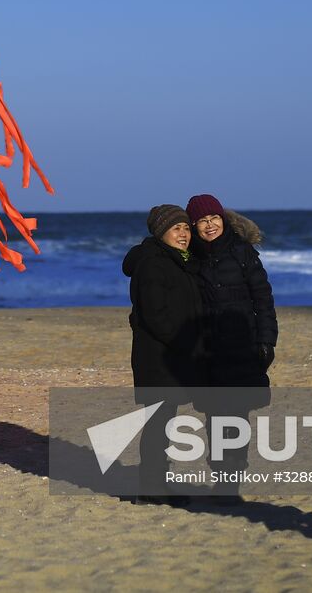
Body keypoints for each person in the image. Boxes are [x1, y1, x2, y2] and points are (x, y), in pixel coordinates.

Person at [185, 194, 277, 501]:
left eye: (214, 219)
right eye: (202, 221)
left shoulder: (242, 252)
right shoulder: (189, 258)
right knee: (214, 416)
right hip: (208, 351)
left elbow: (263, 299)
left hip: (243, 346)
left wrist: (266, 341)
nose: (210, 226)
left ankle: (232, 480)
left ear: (223, 220)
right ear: (193, 225)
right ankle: (221, 477)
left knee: (237, 415)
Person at [122, 204, 203, 505]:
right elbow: (157, 316)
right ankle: (152, 488)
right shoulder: (154, 263)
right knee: (158, 423)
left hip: (170, 355)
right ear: (161, 233)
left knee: (164, 422)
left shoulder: (178, 260)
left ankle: (157, 484)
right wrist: (186, 343)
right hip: (158, 357)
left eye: (185, 228)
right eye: (176, 228)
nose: (183, 234)